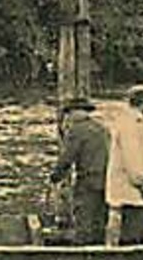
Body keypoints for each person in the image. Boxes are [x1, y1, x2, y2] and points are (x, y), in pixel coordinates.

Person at [104, 85, 143, 246]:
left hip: (135, 193)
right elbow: (133, 157)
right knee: (134, 232)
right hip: (133, 192)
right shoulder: (129, 124)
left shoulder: (134, 122)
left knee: (138, 229)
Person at [47, 97, 109, 245]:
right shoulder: (101, 129)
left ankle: (83, 251)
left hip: (88, 180)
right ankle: (100, 249)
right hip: (107, 179)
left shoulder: (77, 130)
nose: (68, 117)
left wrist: (55, 176)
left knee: (84, 219)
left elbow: (68, 157)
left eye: (69, 113)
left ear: (76, 113)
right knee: (99, 219)